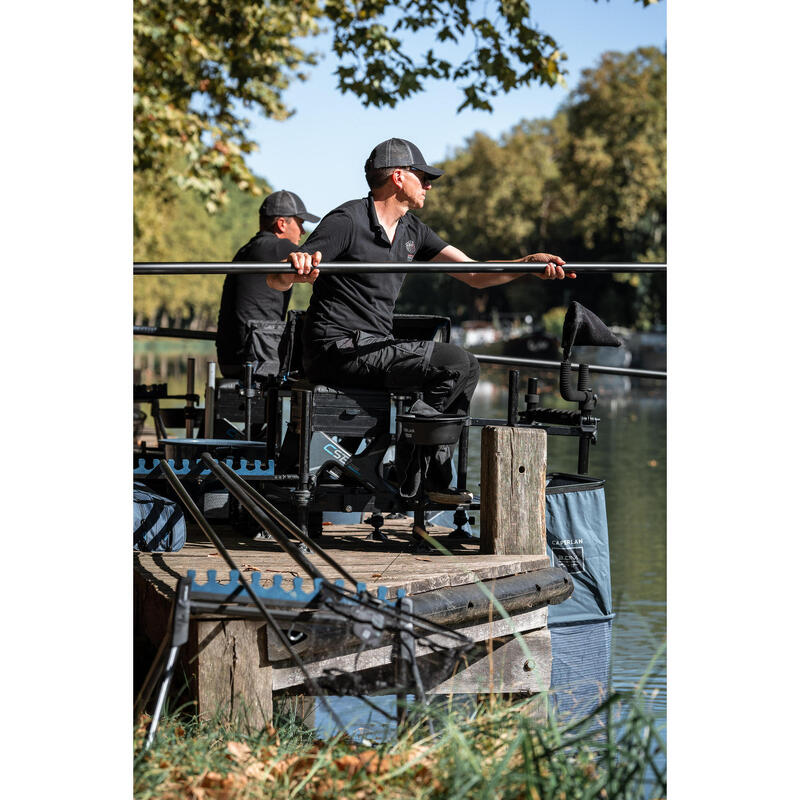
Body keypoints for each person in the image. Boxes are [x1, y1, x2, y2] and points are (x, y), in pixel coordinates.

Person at [268, 138, 575, 503]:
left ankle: (418, 469)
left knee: (460, 368)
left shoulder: (413, 230)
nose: (429, 185)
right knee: (461, 363)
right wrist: (295, 270)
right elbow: (277, 278)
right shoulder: (346, 221)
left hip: (373, 348)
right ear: (398, 177)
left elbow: (475, 274)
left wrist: (526, 266)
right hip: (335, 350)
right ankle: (418, 471)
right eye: (423, 177)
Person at [215, 190, 320, 378]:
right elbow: (323, 266)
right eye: (300, 223)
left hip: (228, 359)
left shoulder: (245, 251)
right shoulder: (283, 248)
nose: (303, 232)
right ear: (281, 224)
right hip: (258, 360)